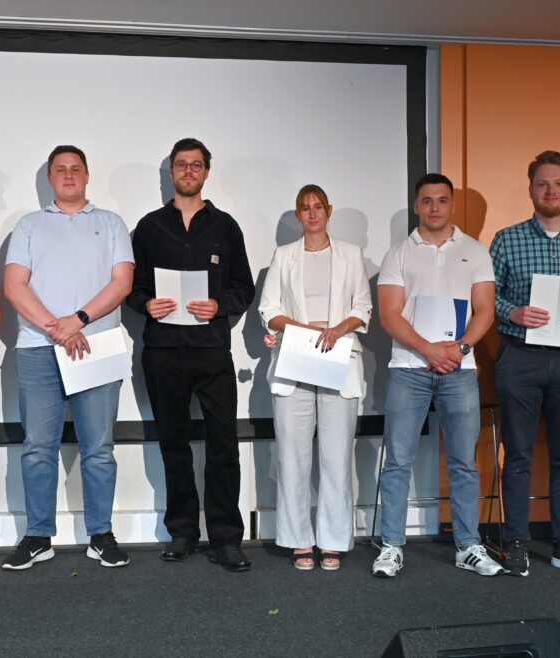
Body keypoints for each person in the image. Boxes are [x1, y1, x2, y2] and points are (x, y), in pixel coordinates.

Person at [1, 145, 134, 571]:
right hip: (39, 348)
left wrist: (77, 321)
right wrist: (55, 328)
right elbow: (14, 286)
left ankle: (101, 535)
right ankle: (38, 537)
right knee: (38, 448)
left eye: (76, 168)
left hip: (98, 346)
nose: (69, 174)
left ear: (87, 175)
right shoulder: (29, 225)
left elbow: (122, 282)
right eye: (60, 169)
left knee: (99, 448)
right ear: (50, 178)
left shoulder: (111, 223)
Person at [127, 138, 255, 571]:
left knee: (223, 445)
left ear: (206, 172)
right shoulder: (149, 227)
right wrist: (146, 304)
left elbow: (243, 287)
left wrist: (220, 305)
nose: (188, 171)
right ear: (171, 172)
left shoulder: (225, 227)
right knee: (174, 443)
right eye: (181, 164)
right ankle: (182, 532)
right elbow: (133, 286)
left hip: (211, 349)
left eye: (195, 165)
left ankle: (226, 537)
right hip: (163, 351)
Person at [371, 173, 503, 578]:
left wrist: (459, 349)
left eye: (442, 200)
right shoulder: (398, 253)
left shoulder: (475, 251)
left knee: (463, 462)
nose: (434, 208)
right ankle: (391, 546)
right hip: (408, 369)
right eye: (427, 201)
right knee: (398, 461)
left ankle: (468, 546)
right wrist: (429, 349)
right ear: (416, 206)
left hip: (460, 370)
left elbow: (485, 309)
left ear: (452, 205)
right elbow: (389, 314)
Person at [490, 150, 560, 577]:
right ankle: (516, 542)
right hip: (520, 357)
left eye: (558, 183)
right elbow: (488, 297)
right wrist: (513, 312)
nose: (550, 191)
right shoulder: (507, 239)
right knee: (517, 455)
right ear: (531, 189)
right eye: (542, 184)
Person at [258, 184, 372, 571]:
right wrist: (301, 329)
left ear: (328, 210)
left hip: (340, 358)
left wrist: (337, 329)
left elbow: (363, 306)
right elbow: (268, 308)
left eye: (317, 206)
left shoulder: (351, 254)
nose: (311, 213)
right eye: (304, 208)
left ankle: (333, 541)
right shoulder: (284, 255)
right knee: (292, 456)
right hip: (296, 358)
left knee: (337, 457)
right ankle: (298, 540)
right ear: (297, 214)